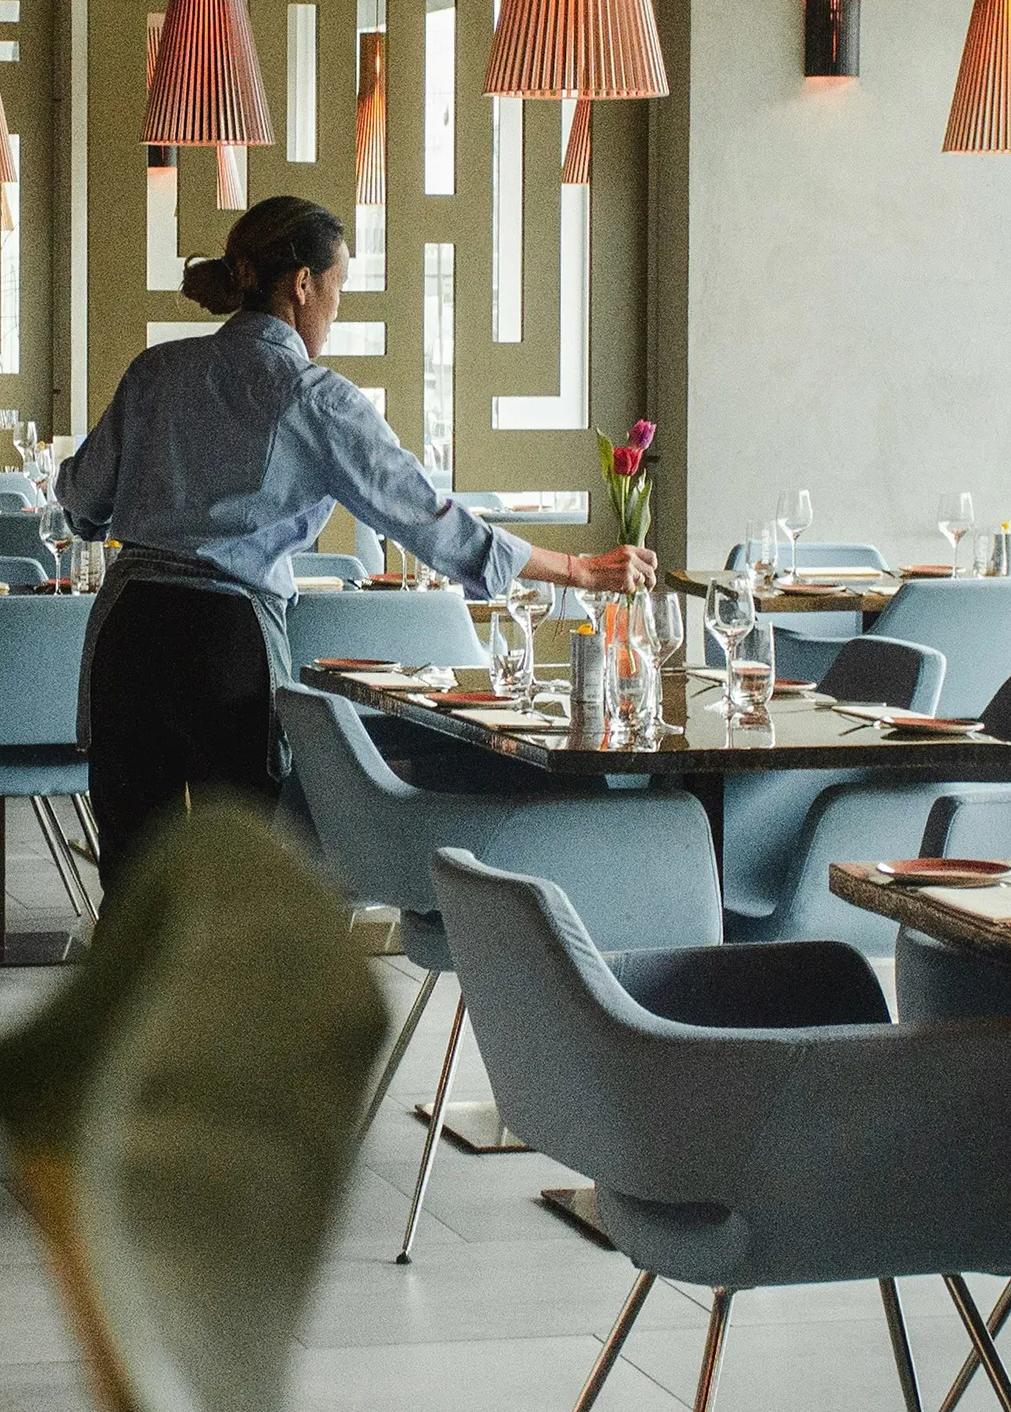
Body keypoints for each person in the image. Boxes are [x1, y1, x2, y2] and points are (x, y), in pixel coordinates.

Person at [57, 195, 654, 893]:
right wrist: (575, 569)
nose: (335, 310)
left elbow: (79, 500)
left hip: (126, 633)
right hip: (224, 645)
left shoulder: (155, 371)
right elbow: (425, 517)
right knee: (243, 885)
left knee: (130, 883)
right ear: (302, 284)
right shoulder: (314, 395)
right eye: (336, 288)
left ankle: (130, 1002)